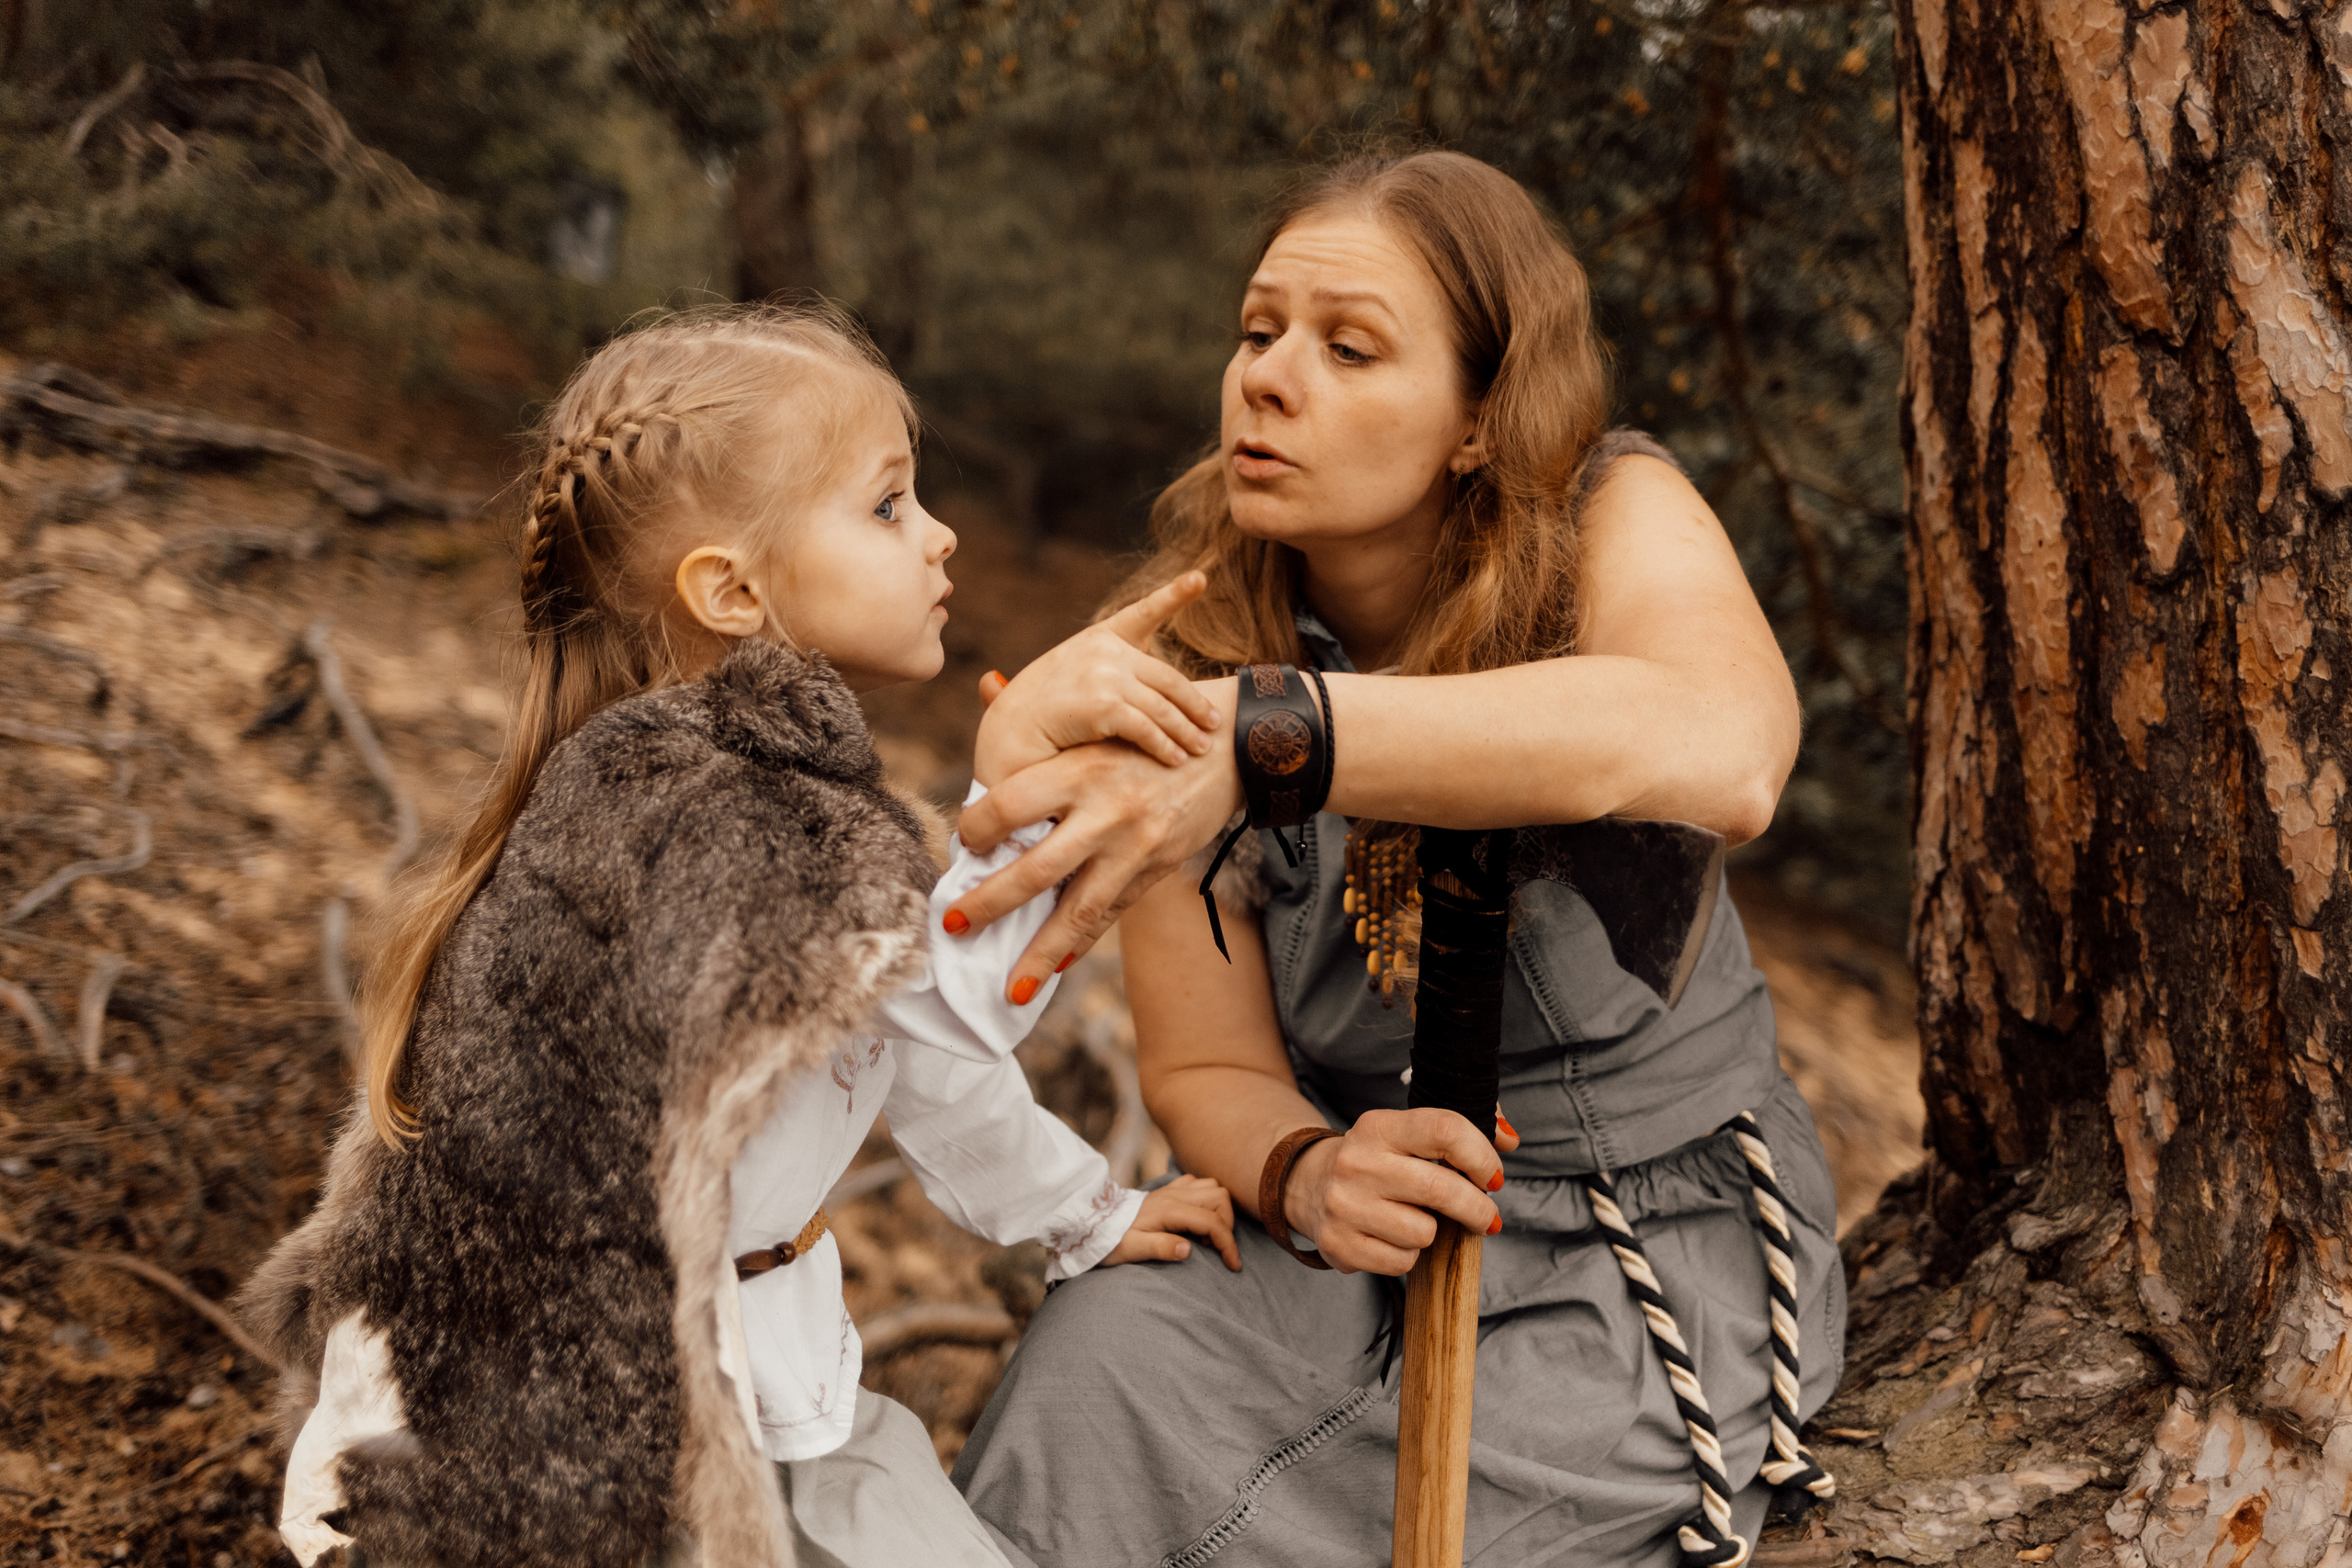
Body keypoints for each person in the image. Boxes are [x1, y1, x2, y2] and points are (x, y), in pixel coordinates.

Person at [945, 151, 1844, 1567]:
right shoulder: (1181, 652)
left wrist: (1274, 738)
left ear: (1479, 421)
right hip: (1352, 1242)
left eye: (1349, 347)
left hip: (1643, 1241)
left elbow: (1727, 749)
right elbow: (1206, 1069)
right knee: (1095, 1369)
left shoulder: (1609, 518)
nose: (1269, 378)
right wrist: (1306, 1171)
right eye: (1259, 332)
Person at [234, 305, 1238, 1568]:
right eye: (887, 507)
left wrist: (1084, 1216)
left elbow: (916, 1054)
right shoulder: (698, 811)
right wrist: (1019, 769)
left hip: (768, 1374)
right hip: (614, 1411)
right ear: (735, 590)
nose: (941, 538)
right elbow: (945, 1002)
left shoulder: (754, 787)